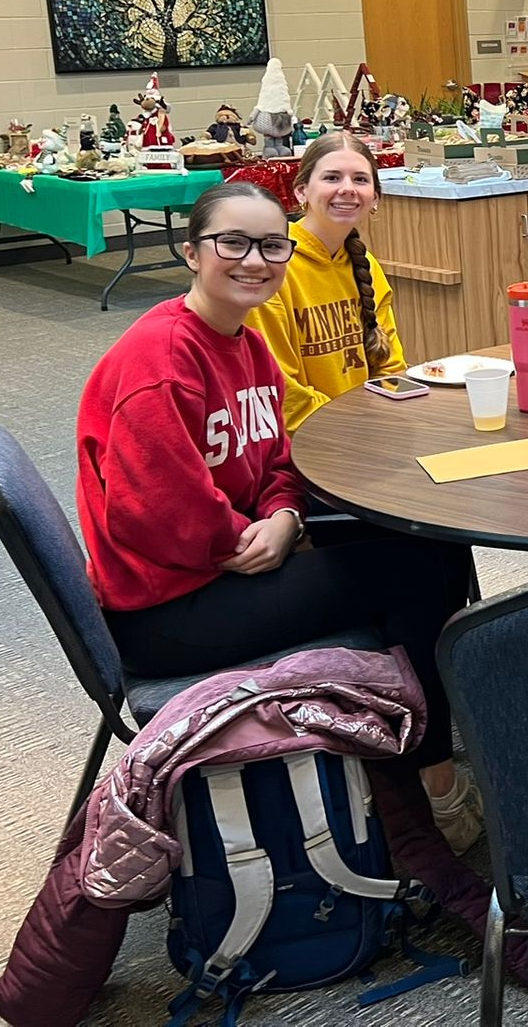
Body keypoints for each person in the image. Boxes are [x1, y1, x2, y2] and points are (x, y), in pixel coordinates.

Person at [76, 182, 484, 854]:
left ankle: (398, 760)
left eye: (271, 245)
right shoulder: (160, 358)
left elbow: (278, 465)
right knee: (415, 567)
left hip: (225, 562)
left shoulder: (247, 345)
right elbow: (156, 512)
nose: (254, 259)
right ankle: (427, 785)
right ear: (190, 252)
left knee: (420, 542)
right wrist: (246, 533)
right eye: (231, 243)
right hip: (167, 610)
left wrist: (285, 514)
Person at [246, 133, 406, 433]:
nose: (347, 189)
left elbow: (391, 368)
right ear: (301, 191)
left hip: (365, 432)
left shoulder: (366, 264)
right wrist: (354, 426)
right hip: (302, 446)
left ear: (375, 197)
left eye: (360, 180)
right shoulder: (271, 266)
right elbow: (281, 391)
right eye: (332, 177)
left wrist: (390, 423)